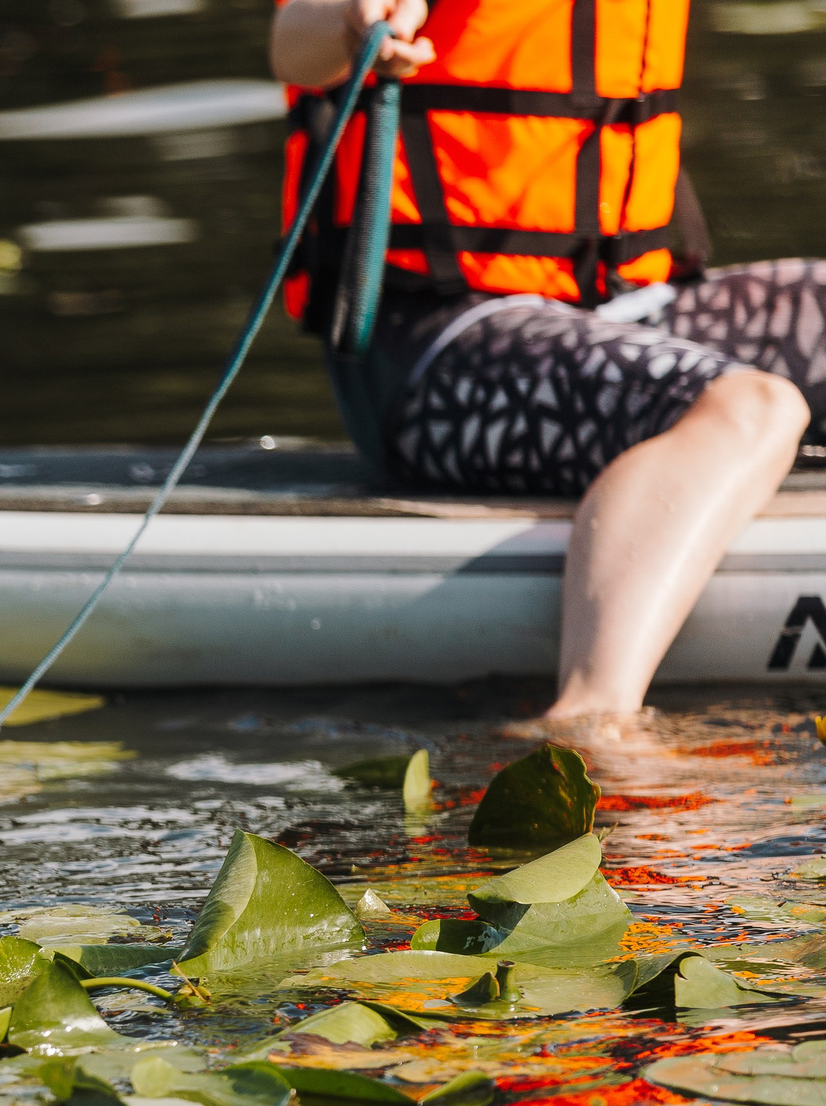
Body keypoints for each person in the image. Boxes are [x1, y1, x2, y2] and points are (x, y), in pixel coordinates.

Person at [271, 0, 821, 727]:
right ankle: (591, 722)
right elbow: (293, 42)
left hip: (631, 304)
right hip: (433, 345)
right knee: (752, 409)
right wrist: (351, 17)